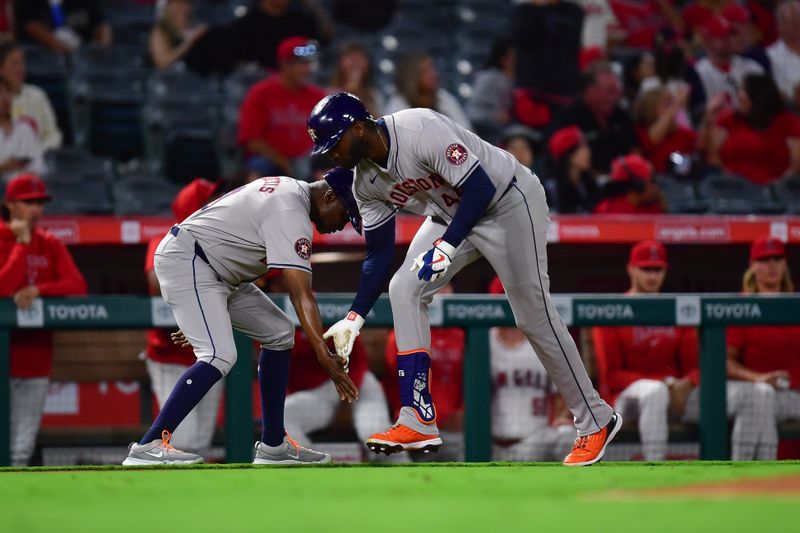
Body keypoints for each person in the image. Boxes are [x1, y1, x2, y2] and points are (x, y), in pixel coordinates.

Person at [307, 92, 621, 466]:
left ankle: (595, 419)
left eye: (334, 144)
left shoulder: (418, 128)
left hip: (507, 201)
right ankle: (418, 415)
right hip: (449, 214)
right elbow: (378, 255)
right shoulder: (364, 182)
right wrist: (355, 317)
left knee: (532, 316)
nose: (331, 155)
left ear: (358, 128)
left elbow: (481, 187)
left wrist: (447, 246)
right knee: (403, 288)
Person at [121, 168, 361, 466]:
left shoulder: (291, 190)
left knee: (280, 332)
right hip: (192, 261)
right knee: (218, 354)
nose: (344, 224)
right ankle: (150, 444)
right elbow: (300, 294)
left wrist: (206, 312)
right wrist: (324, 355)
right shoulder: (291, 210)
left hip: (216, 271)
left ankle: (274, 444)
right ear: (328, 196)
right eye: (346, 212)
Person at [593, 240, 777, 460]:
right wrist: (666, 383)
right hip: (626, 400)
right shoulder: (612, 310)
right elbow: (611, 376)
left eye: (657, 269)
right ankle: (655, 469)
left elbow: (696, 365)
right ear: (631, 269)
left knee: (757, 395)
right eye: (646, 269)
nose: (652, 276)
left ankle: (741, 475)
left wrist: (687, 383)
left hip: (676, 396)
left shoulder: (676, 309)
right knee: (654, 392)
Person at [255, 271, 404, 463]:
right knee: (284, 416)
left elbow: (356, 356)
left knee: (373, 431)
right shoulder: (262, 311)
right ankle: (315, 471)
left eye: (278, 281)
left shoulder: (316, 303)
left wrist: (346, 403)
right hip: (316, 395)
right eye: (270, 284)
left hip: (355, 382)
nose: (274, 287)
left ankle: (406, 476)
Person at [0, 174, 87, 466]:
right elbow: (2, 287)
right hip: (3, 357)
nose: (36, 210)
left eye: (39, 203)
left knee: (21, 449)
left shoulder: (49, 243)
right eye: (28, 203)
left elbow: (77, 284)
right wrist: (22, 246)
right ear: (10, 204)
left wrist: (39, 290)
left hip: (36, 357)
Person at [141, 178, 228, 454]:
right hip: (169, 355)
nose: (212, 206)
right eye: (205, 201)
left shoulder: (218, 243)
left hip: (209, 353)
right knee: (184, 437)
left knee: (201, 441)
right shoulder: (162, 241)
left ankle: (195, 497)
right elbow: (156, 283)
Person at [488, 276, 575, 462]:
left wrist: (561, 416)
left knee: (567, 433)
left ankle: (571, 487)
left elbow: (561, 393)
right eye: (505, 299)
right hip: (490, 442)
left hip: (537, 440)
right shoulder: (482, 340)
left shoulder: (545, 341)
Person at [727, 237, 800, 440]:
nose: (772, 266)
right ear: (753, 265)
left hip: (795, 395)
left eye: (777, 259)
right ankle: (746, 470)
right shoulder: (741, 306)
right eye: (764, 260)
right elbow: (725, 361)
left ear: (785, 264)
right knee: (761, 397)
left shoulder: (795, 304)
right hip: (757, 390)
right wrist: (758, 378)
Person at [384, 283, 465, 461]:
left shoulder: (463, 336)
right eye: (436, 287)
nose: (442, 292)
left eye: (446, 286)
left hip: (455, 432)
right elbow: (393, 384)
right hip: (414, 430)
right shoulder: (400, 336)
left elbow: (473, 381)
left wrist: (462, 411)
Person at [237, 36, 327, 179]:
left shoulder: (318, 95)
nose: (308, 69)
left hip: (307, 161)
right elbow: (252, 141)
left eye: (309, 64)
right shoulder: (261, 93)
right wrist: (284, 163)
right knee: (256, 171)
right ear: (285, 65)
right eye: (302, 64)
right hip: (270, 161)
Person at [705, 73, 800, 185]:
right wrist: (709, 118)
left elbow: (796, 164)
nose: (739, 95)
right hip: (729, 189)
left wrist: (776, 187)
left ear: (759, 95)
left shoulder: (788, 122)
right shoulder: (729, 119)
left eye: (744, 91)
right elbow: (712, 157)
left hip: (773, 192)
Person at [551, 61, 638, 174]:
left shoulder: (621, 116)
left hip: (622, 181)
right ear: (589, 90)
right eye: (609, 91)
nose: (615, 96)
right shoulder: (568, 117)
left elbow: (635, 150)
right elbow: (557, 158)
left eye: (616, 90)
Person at [685, 15, 764, 119]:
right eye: (722, 36)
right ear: (707, 42)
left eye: (731, 35)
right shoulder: (697, 73)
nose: (729, 39)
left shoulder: (752, 67)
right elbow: (697, 114)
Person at [233, 0, 333, 71]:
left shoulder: (300, 20)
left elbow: (325, 39)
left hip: (296, 75)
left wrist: (313, 6)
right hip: (257, 77)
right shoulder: (247, 23)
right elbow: (240, 61)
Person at [0, 41, 62, 152]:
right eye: (14, 63)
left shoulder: (37, 95)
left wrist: (37, 152)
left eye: (22, 62)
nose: (20, 69)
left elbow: (53, 134)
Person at [384, 52, 471, 130]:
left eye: (432, 69)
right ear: (411, 77)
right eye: (424, 71)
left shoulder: (443, 97)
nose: (433, 74)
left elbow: (466, 131)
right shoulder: (398, 104)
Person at [634, 86, 697, 173]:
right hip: (653, 178)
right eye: (667, 104)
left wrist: (708, 119)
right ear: (651, 107)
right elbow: (650, 141)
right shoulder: (641, 130)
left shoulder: (681, 132)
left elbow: (700, 149)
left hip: (681, 179)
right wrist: (676, 104)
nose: (671, 108)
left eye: (671, 103)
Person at [14, 0, 112, 54]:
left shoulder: (86, 2)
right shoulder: (29, 2)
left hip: (83, 59)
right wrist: (68, 53)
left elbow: (102, 26)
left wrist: (99, 50)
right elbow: (32, 27)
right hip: (46, 59)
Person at [466, 38, 515, 145]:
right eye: (511, 58)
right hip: (485, 130)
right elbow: (474, 110)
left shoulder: (505, 79)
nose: (514, 62)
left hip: (496, 129)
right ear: (502, 59)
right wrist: (495, 116)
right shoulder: (489, 77)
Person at [547, 125, 601, 213]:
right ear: (568, 155)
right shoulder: (550, 191)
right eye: (582, 148)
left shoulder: (591, 185)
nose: (588, 152)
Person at [0, 78, 45, 183]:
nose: (4, 99)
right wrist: (4, 167)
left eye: (7, 94)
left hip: (22, 191)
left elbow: (38, 169)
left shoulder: (25, 129)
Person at [594, 154, 666, 214]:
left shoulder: (652, 207)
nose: (657, 186)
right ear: (637, 185)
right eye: (652, 181)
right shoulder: (607, 211)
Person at [148, 0, 208, 71]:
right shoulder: (160, 31)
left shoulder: (196, 27)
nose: (181, 8)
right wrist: (188, 43)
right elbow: (162, 62)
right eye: (176, 4)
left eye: (184, 3)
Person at [328, 41, 383, 118]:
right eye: (349, 56)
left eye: (361, 56)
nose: (356, 61)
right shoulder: (329, 95)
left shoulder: (375, 95)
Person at [766, 0, 800, 103]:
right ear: (779, 25)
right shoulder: (770, 56)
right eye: (791, 20)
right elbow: (781, 94)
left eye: (799, 17)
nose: (797, 23)